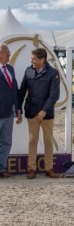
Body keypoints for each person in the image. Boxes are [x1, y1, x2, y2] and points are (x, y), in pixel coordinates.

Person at [18, 48, 60, 179]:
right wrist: (19, 108)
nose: (32, 61)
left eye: (34, 59)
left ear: (42, 60)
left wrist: (44, 110)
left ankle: (49, 168)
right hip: (31, 112)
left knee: (48, 141)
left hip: (47, 114)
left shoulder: (53, 73)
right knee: (32, 141)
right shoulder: (28, 70)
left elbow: (54, 95)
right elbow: (22, 91)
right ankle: (31, 169)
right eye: (32, 58)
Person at [0, 43, 22, 178]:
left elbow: (14, 90)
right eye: (7, 52)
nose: (9, 55)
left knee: (7, 142)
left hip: (9, 113)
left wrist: (18, 109)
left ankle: (2, 169)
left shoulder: (10, 69)